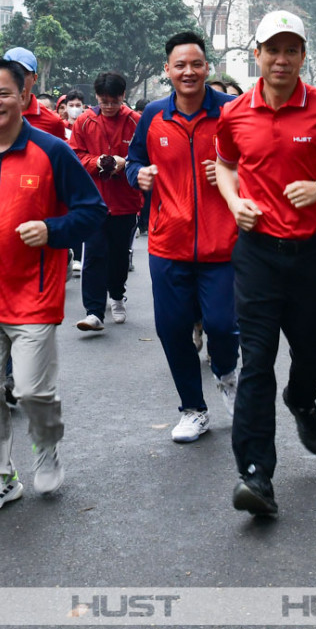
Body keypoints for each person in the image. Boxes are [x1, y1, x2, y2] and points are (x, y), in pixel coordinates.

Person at [214, 12, 316, 518]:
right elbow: (225, 162)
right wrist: (233, 200)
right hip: (257, 255)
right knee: (255, 363)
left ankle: (303, 402)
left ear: (303, 56)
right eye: (272, 49)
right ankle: (256, 476)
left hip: (312, 254)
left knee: (308, 354)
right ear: (256, 53)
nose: (281, 59)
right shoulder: (234, 112)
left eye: (291, 50)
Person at [0, 58, 104, 513]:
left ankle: (46, 446)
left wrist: (52, 230)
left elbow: (92, 211)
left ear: (24, 97)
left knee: (32, 392)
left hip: (33, 294)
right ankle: (0, 476)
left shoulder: (52, 151)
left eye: (3, 93)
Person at [127, 32, 240, 444]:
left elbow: (259, 163)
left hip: (224, 243)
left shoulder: (232, 111)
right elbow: (136, 159)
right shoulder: (154, 115)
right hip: (168, 242)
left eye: (196, 64)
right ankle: (193, 409)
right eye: (180, 65)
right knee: (173, 329)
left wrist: (236, 176)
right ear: (167, 70)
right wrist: (135, 174)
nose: (188, 72)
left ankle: (227, 374)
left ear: (207, 67)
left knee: (223, 326)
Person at [71, 71, 144, 331]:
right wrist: (96, 162)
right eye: (104, 101)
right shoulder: (84, 122)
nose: (109, 106)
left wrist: (126, 163)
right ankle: (93, 311)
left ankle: (116, 296)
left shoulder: (136, 122)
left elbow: (145, 156)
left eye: (114, 101)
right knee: (93, 254)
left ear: (123, 96)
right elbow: (76, 154)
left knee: (119, 255)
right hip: (94, 201)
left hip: (125, 200)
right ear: (97, 98)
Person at [0, 47, 67, 139]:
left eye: (22, 73)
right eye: (10, 74)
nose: (16, 80)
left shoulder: (53, 122)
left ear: (34, 78)